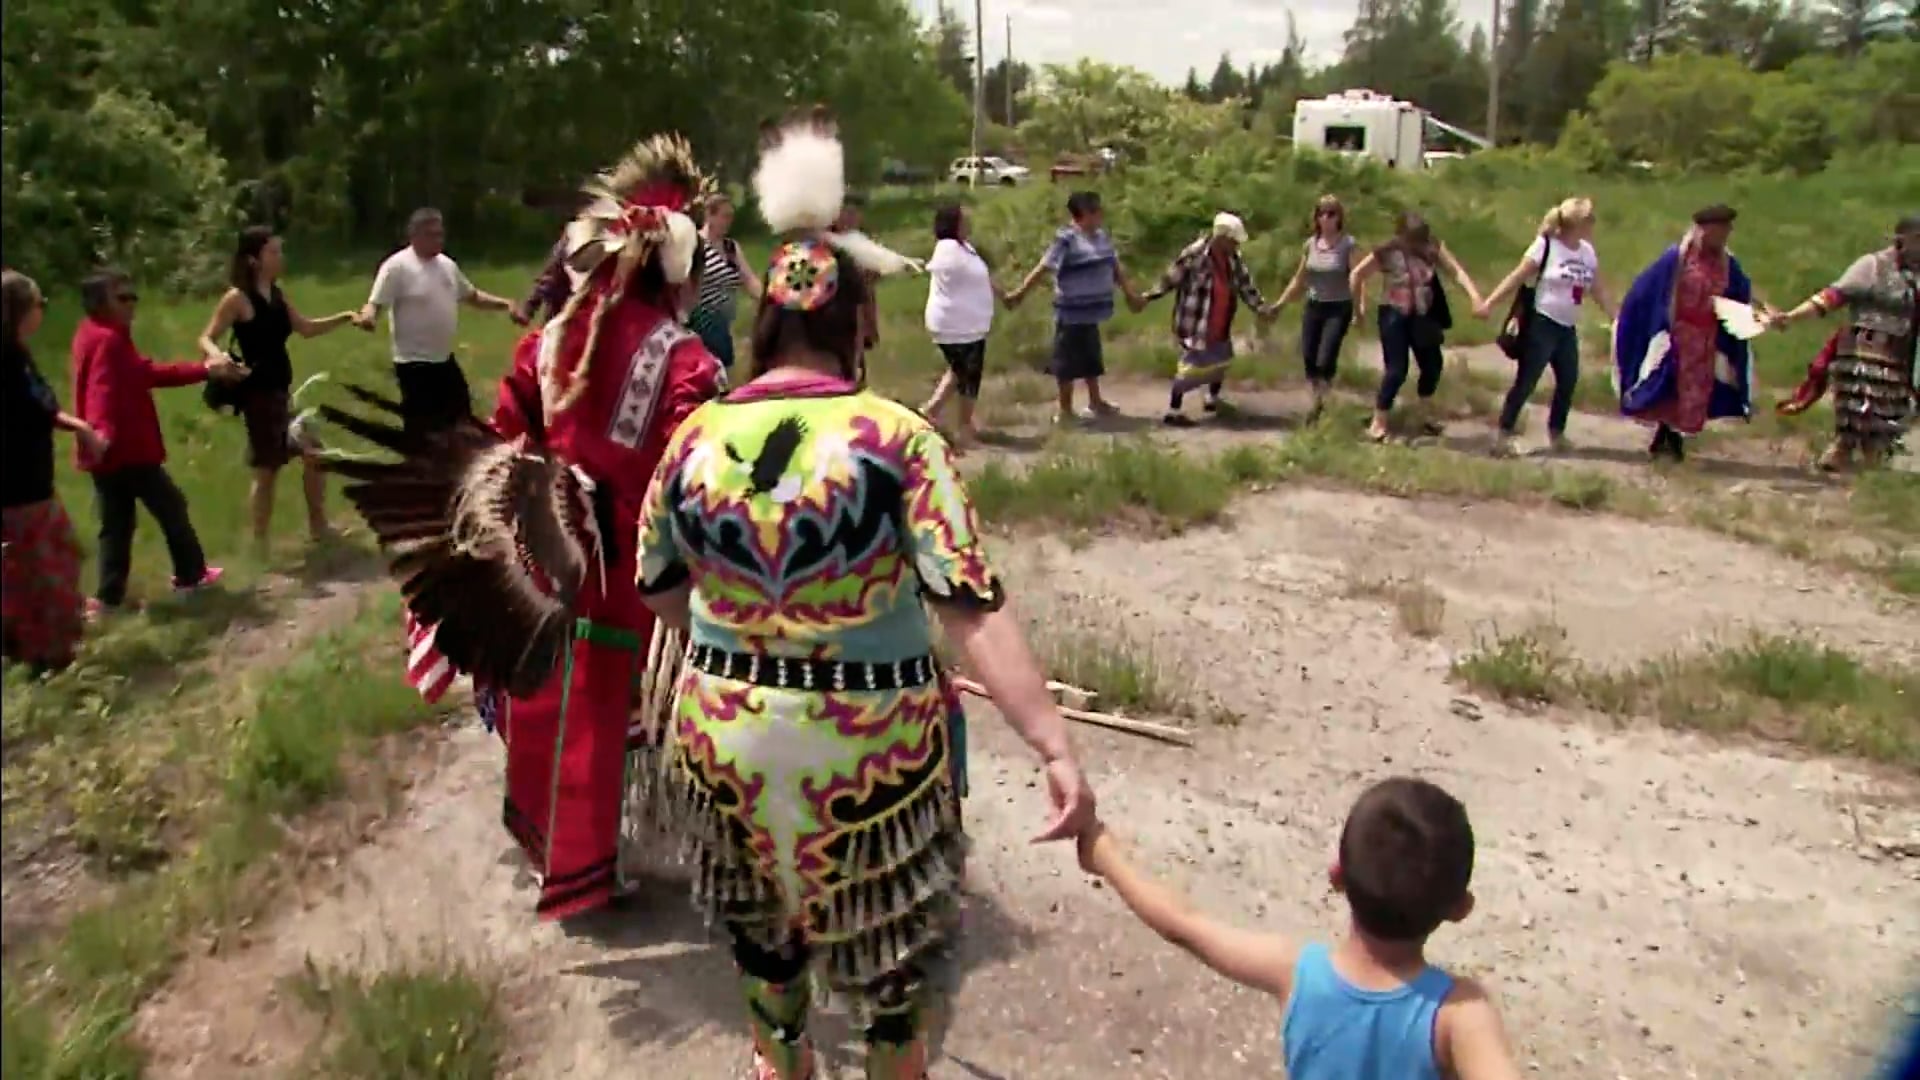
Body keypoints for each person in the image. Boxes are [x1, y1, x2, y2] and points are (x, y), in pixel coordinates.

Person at [635, 111, 1095, 1080]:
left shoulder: (695, 438)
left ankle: (783, 1061)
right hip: (873, 748)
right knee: (892, 958)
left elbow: (663, 594)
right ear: (856, 324)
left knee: (763, 934)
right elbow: (972, 608)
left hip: (724, 738)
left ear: (767, 326)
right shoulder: (899, 439)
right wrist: (1051, 739)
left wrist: (751, 641)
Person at [320, 134, 726, 921]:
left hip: (547, 566)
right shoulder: (687, 362)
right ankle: (597, 862)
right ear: (669, 270)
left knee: (556, 699)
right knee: (613, 710)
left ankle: (566, 852)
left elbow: (508, 440)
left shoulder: (544, 346)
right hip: (639, 580)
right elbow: (695, 476)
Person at [1077, 777, 1522, 1080]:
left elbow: (1184, 925)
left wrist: (1104, 853)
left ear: (1336, 876)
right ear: (1460, 909)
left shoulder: (1297, 972)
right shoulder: (1459, 1014)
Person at [72, 269, 243, 614]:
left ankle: (107, 599)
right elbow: (100, 391)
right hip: (126, 450)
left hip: (108, 453)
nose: (132, 301)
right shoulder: (108, 340)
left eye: (133, 294)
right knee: (170, 507)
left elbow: (145, 374)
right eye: (122, 297)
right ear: (98, 304)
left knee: (117, 524)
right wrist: (101, 431)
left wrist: (204, 369)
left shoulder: (94, 334)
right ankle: (191, 576)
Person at [196, 227, 357, 552]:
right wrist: (218, 357)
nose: (280, 257)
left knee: (313, 452)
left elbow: (306, 328)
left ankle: (317, 526)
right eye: (274, 251)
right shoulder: (237, 298)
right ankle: (260, 543)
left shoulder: (276, 294)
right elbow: (205, 337)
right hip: (257, 398)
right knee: (267, 472)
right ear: (254, 259)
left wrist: (347, 317)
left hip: (281, 395)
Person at [3, 270, 104, 672]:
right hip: (15, 489)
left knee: (57, 561)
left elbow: (43, 408)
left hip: (34, 483)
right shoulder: (4, 362)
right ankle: (47, 657)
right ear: (19, 311)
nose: (43, 310)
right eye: (39, 304)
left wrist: (78, 426)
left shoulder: (19, 355)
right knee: (40, 574)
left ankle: (45, 644)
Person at [1761, 213, 1918, 471]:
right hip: (1863, 351)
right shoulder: (1873, 265)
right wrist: (1791, 317)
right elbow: (1832, 296)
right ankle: (1843, 451)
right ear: (1902, 241)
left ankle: (1872, 458)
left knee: (1889, 413)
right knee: (1859, 406)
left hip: (1901, 354)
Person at [353, 208, 519, 435]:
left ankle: (456, 467)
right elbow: (375, 303)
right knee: (422, 431)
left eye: (440, 234)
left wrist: (505, 303)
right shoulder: (397, 266)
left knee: (461, 419)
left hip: (443, 360)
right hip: (413, 364)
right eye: (432, 234)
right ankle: (419, 470)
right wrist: (368, 316)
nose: (438, 239)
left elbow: (472, 296)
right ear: (415, 235)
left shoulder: (447, 265)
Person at [1612, 204, 1755, 463]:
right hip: (1678, 334)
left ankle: (1673, 436)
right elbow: (1647, 290)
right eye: (1722, 229)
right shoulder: (1677, 258)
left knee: (1696, 391)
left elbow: (1741, 292)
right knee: (1669, 385)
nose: (1726, 235)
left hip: (1706, 338)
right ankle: (1667, 437)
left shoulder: (1727, 263)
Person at [1476, 197, 1616, 458]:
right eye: (1590, 219)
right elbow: (1517, 276)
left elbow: (1597, 288)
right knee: (1527, 380)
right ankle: (1503, 435)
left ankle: (1557, 433)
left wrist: (1615, 317)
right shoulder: (1546, 246)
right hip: (1543, 322)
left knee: (1568, 379)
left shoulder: (1586, 251)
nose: (1594, 223)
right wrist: (1489, 303)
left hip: (1567, 326)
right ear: (1577, 222)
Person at [1006, 190, 1143, 425]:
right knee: (1066, 362)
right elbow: (1044, 267)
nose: (1101, 215)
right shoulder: (1066, 239)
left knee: (1091, 358)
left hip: (1092, 311)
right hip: (1070, 312)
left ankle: (1095, 401)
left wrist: (1130, 294)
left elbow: (1114, 266)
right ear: (1084, 214)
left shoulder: (1100, 237)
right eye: (1096, 210)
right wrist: (1020, 293)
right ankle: (1065, 410)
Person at [1348, 213, 1483, 442]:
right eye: (1413, 239)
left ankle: (1423, 415)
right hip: (1394, 314)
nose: (1417, 244)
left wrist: (1475, 297)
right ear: (1401, 236)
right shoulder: (1387, 250)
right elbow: (1357, 275)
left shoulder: (1433, 248)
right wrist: (1358, 309)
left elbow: (1456, 272)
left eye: (1421, 238)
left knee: (1432, 366)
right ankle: (1378, 422)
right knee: (1396, 370)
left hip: (1423, 315)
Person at [1138, 211, 1275, 427]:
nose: (1236, 246)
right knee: (1190, 368)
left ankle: (1211, 398)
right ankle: (1174, 410)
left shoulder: (1233, 259)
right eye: (1232, 241)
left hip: (1221, 319)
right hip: (1196, 321)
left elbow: (1245, 285)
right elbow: (1170, 278)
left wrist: (1260, 307)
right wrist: (1148, 297)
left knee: (1220, 360)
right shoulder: (1195, 254)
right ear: (1221, 238)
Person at [1271, 194, 1362, 423]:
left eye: (1331, 213)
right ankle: (1318, 400)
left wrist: (1360, 309)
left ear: (1339, 217)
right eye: (1321, 213)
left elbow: (1358, 277)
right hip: (1314, 306)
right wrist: (1280, 304)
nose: (1326, 218)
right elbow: (1299, 279)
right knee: (1309, 357)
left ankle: (1320, 404)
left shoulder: (1347, 244)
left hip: (1338, 307)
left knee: (1325, 358)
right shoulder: (1310, 245)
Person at [921, 202, 1001, 449]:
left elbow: (980, 277)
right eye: (964, 219)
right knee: (968, 374)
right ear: (952, 224)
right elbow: (947, 269)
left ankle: (929, 411)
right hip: (956, 325)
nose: (968, 223)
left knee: (960, 370)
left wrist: (1003, 294)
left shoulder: (963, 247)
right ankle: (964, 427)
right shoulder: (947, 249)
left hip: (967, 324)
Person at [686, 191, 765, 372]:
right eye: (725, 216)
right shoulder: (694, 243)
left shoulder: (731, 248)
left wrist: (771, 301)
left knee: (722, 380)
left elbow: (749, 280)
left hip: (722, 328)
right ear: (709, 216)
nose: (728, 222)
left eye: (731, 217)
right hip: (698, 327)